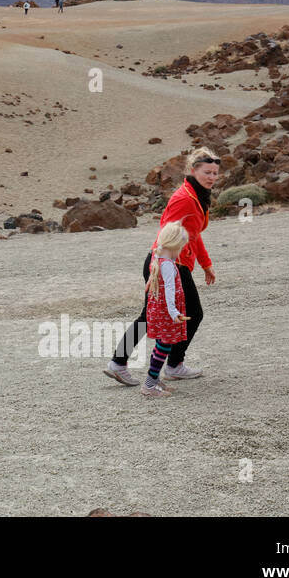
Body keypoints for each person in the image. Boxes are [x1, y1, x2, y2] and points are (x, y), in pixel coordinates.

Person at [103, 147, 221, 385]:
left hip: (175, 262)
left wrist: (206, 264)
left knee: (156, 315)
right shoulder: (184, 199)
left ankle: (122, 362)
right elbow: (167, 233)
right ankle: (172, 365)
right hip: (168, 263)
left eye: (215, 173)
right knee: (189, 314)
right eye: (207, 172)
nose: (211, 177)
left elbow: (194, 235)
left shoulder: (197, 196)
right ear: (193, 170)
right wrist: (159, 267)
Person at [139, 222, 192, 398]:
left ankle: (153, 380)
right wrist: (174, 312)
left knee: (162, 343)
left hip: (159, 309)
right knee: (164, 345)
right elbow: (169, 289)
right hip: (166, 310)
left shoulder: (159, 257)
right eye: (181, 248)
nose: (181, 251)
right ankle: (149, 384)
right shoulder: (167, 264)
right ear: (175, 245)